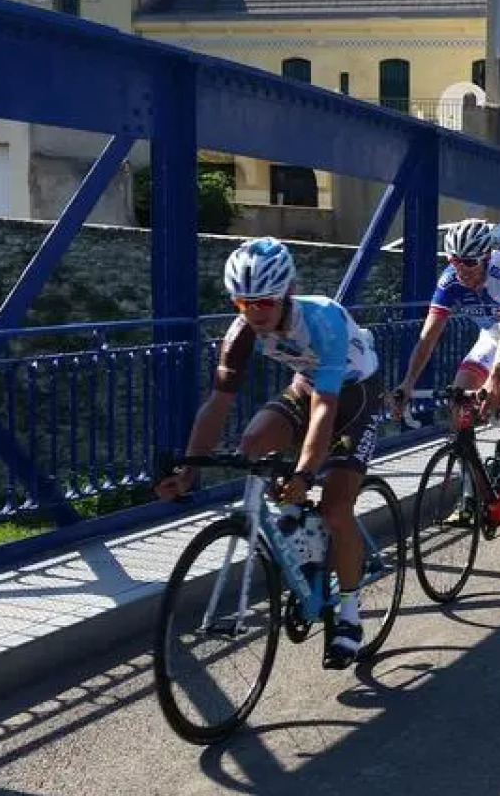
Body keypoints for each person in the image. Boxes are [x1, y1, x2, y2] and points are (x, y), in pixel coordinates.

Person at [155, 238, 382, 669]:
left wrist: (305, 473)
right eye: (244, 303)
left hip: (356, 395)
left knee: (336, 509)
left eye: (264, 302)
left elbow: (324, 410)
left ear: (285, 295)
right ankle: (295, 523)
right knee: (253, 444)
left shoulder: (323, 320)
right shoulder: (240, 333)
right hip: (308, 385)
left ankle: (350, 612)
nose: (255, 313)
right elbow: (216, 404)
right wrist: (188, 471)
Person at [391, 218, 500, 515]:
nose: (461, 269)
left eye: (468, 261)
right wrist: (407, 383)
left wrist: (495, 379)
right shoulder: (450, 279)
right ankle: (471, 493)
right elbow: (428, 336)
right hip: (491, 337)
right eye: (453, 260)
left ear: (486, 256)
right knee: (459, 401)